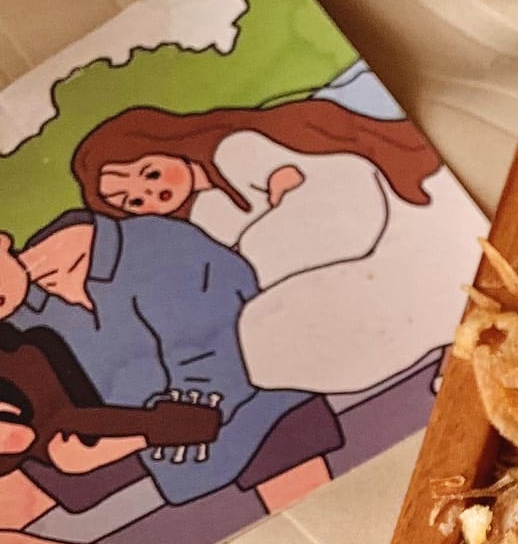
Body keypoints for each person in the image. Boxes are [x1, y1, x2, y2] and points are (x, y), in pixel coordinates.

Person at [0, 211, 341, 544]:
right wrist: (55, 448)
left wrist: (140, 435)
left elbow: (220, 361)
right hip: (125, 434)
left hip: (251, 414)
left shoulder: (154, 246)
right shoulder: (20, 316)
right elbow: (48, 413)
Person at [71, 95, 468, 394]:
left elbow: (342, 207)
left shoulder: (236, 148)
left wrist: (252, 255)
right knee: (262, 339)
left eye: (151, 173)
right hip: (327, 262)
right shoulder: (201, 216)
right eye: (133, 202)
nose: (151, 194)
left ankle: (453, 338)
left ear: (164, 144)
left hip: (393, 228)